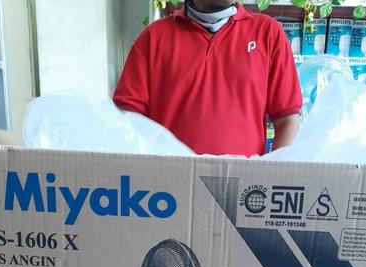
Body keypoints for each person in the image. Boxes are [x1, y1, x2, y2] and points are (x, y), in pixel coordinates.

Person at [113, 0, 302, 157]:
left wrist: (270, 176)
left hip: (243, 185)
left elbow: (287, 119)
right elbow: (128, 120)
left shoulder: (268, 33)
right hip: (169, 184)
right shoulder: (153, 38)